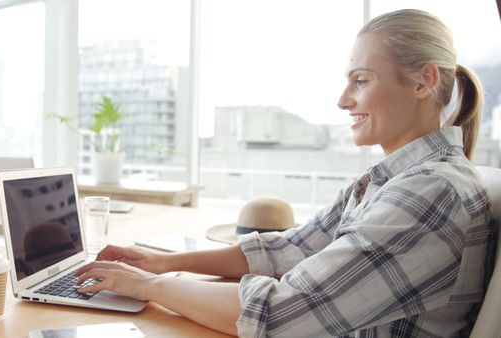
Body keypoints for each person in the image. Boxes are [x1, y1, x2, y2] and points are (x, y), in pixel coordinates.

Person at [74, 9, 496, 337]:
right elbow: (290, 249)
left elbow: (280, 314)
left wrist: (148, 286)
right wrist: (162, 263)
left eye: (361, 81)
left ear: (423, 82)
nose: (343, 100)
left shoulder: (431, 193)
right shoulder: (391, 181)